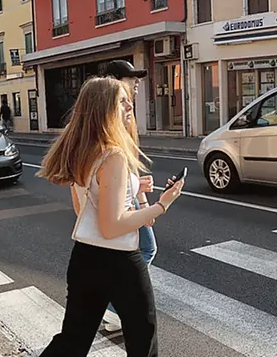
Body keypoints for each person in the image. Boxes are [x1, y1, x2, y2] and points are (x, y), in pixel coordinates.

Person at [38, 76, 184, 357]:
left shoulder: (83, 151)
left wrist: (135, 193)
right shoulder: (113, 156)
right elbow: (111, 225)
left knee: (73, 340)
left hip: (84, 258)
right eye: (122, 100)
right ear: (104, 108)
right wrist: (163, 204)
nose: (130, 104)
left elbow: (85, 210)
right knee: (143, 337)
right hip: (119, 261)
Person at [101, 60, 154, 332]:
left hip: (128, 196)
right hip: (118, 201)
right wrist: (151, 207)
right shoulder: (108, 122)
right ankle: (112, 307)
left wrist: (141, 197)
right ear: (114, 81)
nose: (136, 84)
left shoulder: (127, 117)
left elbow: (131, 166)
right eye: (131, 79)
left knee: (143, 249)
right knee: (144, 249)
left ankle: (113, 308)